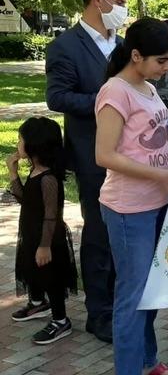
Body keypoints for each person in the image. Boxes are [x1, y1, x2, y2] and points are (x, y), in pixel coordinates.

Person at [94, 17, 168, 375]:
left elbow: (154, 139)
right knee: (132, 298)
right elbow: (105, 155)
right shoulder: (115, 91)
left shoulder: (147, 88)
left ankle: (148, 361)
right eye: (161, 61)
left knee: (151, 293)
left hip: (158, 202)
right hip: (128, 209)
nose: (167, 68)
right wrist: (161, 175)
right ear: (136, 55)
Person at [45, 0, 126, 344]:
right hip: (92, 153)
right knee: (99, 231)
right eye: (120, 2)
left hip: (131, 153)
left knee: (123, 230)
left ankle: (121, 302)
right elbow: (58, 97)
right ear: (98, 1)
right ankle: (100, 312)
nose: (122, 10)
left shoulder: (124, 46)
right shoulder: (66, 46)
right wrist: (106, 102)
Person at [8, 117, 78, 345]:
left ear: (34, 145)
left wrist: (45, 244)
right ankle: (38, 304)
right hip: (31, 233)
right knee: (32, 270)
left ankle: (60, 320)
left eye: (21, 139)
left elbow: (51, 215)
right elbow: (24, 199)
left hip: (47, 238)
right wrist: (13, 173)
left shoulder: (48, 179)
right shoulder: (35, 171)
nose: (18, 144)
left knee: (51, 277)